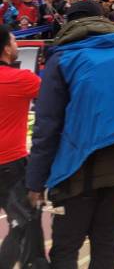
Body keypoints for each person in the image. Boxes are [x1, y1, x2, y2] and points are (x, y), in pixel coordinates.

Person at [25, 0, 114, 269]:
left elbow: (47, 125)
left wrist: (35, 182)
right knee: (106, 245)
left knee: (65, 248)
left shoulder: (63, 57)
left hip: (74, 168)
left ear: (69, 23)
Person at [0, 24, 48, 269]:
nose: (16, 45)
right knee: (22, 224)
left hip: (11, 163)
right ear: (6, 49)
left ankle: (36, 262)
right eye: (14, 41)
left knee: (27, 223)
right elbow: (56, 98)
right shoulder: (22, 79)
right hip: (12, 165)